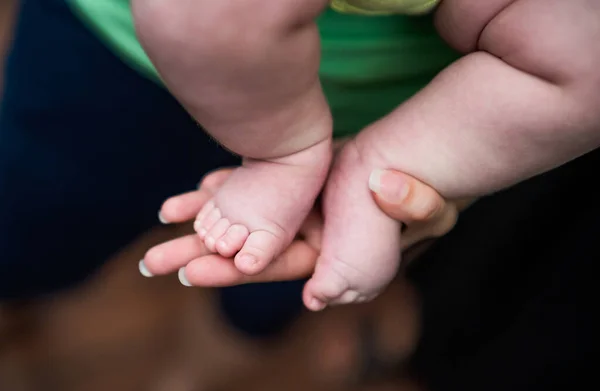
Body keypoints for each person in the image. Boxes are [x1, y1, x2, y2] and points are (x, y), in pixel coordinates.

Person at [134, 0, 600, 310]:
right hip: (127, 51)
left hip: (413, 105)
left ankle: (377, 165)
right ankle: (283, 153)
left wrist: (426, 168)